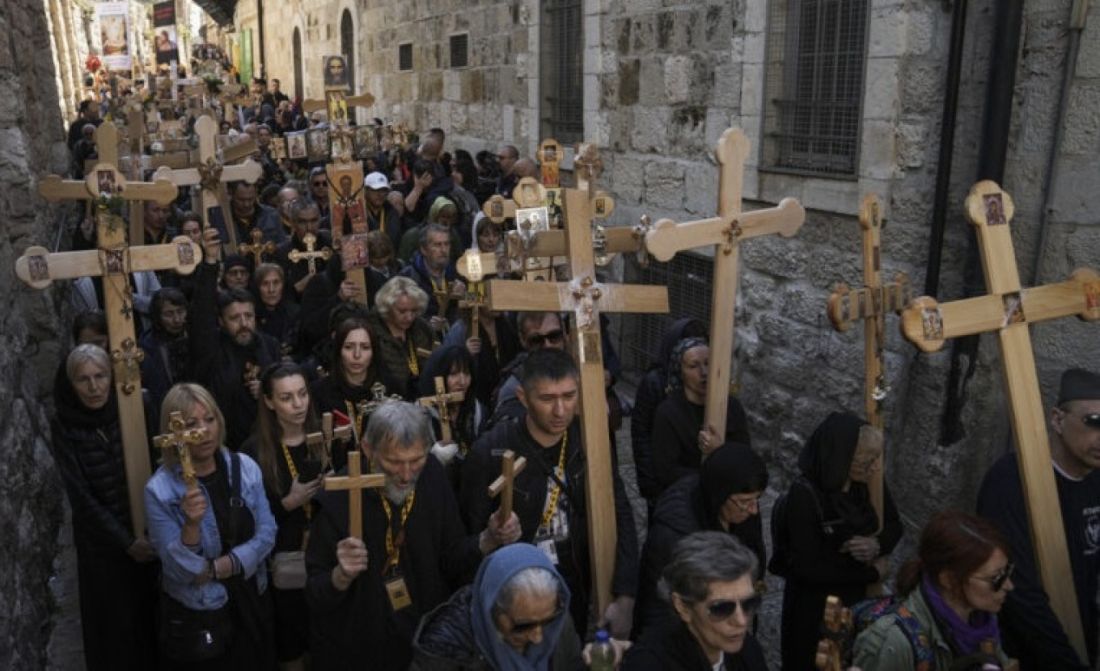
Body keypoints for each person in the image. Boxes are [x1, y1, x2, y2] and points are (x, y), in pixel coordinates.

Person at [304, 401, 520, 671]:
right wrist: (341, 575)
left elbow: (450, 556)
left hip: (423, 642)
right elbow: (315, 594)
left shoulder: (432, 475)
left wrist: (488, 539)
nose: (406, 475)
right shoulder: (337, 499)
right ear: (368, 449)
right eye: (394, 462)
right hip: (361, 647)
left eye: (416, 460)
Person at [460, 349, 640, 639]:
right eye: (547, 399)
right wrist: (490, 538)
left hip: (574, 577)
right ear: (522, 397)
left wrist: (626, 595)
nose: (560, 411)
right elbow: (462, 547)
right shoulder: (490, 452)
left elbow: (618, 509)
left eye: (569, 396)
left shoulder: (589, 439)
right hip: (516, 590)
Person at [145, 383, 277, 670]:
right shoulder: (160, 490)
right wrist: (191, 525)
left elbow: (267, 533)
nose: (204, 431)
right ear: (174, 434)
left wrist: (221, 567)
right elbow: (178, 570)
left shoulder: (245, 467)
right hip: (203, 612)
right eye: (191, 424)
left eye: (210, 419)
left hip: (251, 598)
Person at [977, 367, 1100, 670]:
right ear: (1057, 419)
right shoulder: (1010, 482)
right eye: (1093, 422)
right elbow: (1020, 592)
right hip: (1022, 651)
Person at [52, 344, 159, 670]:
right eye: (83, 379)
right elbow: (81, 496)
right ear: (71, 384)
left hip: (149, 534)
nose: (94, 387)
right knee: (116, 633)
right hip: (104, 549)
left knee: (154, 623)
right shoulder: (65, 425)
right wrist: (126, 542)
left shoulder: (136, 405)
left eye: (100, 376)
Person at [776, 411, 902, 670]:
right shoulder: (805, 496)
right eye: (866, 461)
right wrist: (871, 574)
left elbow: (893, 525)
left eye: (874, 460)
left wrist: (876, 545)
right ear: (841, 458)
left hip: (855, 602)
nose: (874, 468)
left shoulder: (865, 482)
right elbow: (807, 568)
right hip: (812, 610)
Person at [240, 363, 327, 671]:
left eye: (303, 394)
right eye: (287, 397)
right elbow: (244, 522)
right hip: (283, 558)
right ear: (268, 402)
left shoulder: (327, 435)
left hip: (325, 554)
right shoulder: (253, 452)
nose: (298, 404)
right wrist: (288, 502)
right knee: (291, 641)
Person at [634, 443, 768, 635]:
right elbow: (658, 610)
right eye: (745, 502)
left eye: (757, 499)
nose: (754, 510)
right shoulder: (672, 536)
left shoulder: (742, 511)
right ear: (719, 496)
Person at [853, 511, 1015, 670]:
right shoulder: (894, 642)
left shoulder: (982, 623)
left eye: (1007, 571)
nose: (1009, 585)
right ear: (949, 580)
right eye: (996, 578)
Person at [410, 543, 584, 670]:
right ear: (491, 607)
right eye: (523, 626)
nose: (538, 637)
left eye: (546, 621)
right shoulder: (444, 651)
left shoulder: (555, 618)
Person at [190, 228, 282, 449]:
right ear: (221, 321)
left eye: (248, 316)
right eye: (235, 318)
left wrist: (267, 391)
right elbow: (201, 313)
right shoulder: (213, 348)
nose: (243, 323)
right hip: (226, 442)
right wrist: (211, 263)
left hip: (268, 440)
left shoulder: (269, 345)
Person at [623, 532, 767, 671]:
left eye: (749, 603)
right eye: (722, 608)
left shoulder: (747, 650)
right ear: (683, 607)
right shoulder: (649, 664)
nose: (741, 621)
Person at [650, 337, 752, 498]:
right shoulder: (668, 412)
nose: (704, 372)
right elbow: (666, 470)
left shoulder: (731, 406)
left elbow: (745, 454)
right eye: (693, 366)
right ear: (680, 372)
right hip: (687, 496)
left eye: (707, 363)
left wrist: (720, 451)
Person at [631, 318, 706, 505]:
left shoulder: (707, 382)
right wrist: (649, 482)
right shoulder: (655, 382)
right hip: (661, 479)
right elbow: (641, 434)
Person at [309, 315, 398, 468]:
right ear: (338, 351)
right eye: (349, 347)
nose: (357, 355)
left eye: (365, 347)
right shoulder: (319, 392)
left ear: (373, 352)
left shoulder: (389, 387)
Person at [416, 345, 486, 492]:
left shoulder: (476, 410)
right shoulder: (419, 414)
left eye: (466, 373)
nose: (462, 381)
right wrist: (434, 459)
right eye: (453, 374)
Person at [367, 276, 435, 399]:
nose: (409, 317)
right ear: (387, 308)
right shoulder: (371, 334)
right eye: (402, 311)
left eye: (414, 311)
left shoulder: (423, 329)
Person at [400, 220, 466, 331]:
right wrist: (426, 324)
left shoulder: (459, 273)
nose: (444, 250)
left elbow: (475, 307)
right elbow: (398, 316)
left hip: (452, 338)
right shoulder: (408, 278)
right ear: (424, 249)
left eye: (447, 244)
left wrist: (465, 296)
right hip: (421, 341)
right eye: (437, 245)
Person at [139, 287, 191, 414]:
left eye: (181, 311)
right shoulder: (147, 347)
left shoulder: (193, 337)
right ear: (157, 317)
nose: (177, 319)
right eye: (169, 314)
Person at [253, 262, 299, 355]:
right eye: (265, 284)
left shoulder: (296, 313)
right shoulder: (250, 316)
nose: (271, 290)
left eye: (276, 283)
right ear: (258, 287)